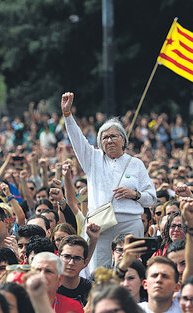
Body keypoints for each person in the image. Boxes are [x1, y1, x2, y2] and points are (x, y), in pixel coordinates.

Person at [62, 92, 156, 271]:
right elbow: (77, 140)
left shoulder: (135, 163)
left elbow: (151, 198)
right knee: (99, 271)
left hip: (130, 223)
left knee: (131, 269)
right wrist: (67, 115)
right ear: (100, 143)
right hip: (100, 226)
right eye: (104, 138)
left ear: (123, 140)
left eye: (113, 136)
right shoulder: (93, 159)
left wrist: (134, 194)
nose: (109, 140)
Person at [57, 235, 92, 306]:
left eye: (77, 258)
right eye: (67, 257)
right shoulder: (48, 288)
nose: (71, 263)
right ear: (58, 258)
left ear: (85, 263)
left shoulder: (92, 290)